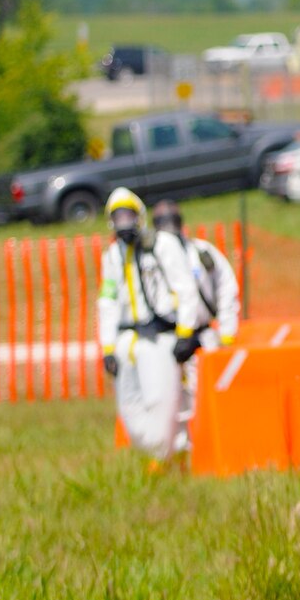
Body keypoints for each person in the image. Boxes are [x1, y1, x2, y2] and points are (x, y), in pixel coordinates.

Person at [97, 188, 200, 466]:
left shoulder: (162, 245)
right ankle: (158, 454)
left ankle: (170, 457)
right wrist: (107, 346)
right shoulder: (112, 256)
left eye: (128, 216)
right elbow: (106, 301)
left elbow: (185, 288)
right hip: (128, 341)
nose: (123, 224)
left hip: (161, 338)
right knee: (129, 406)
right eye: (117, 218)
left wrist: (185, 332)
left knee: (161, 403)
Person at [150, 200, 241, 347]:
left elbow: (227, 288)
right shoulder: (148, 261)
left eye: (172, 219)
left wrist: (227, 334)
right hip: (165, 340)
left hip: (204, 340)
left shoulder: (201, 252)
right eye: (162, 221)